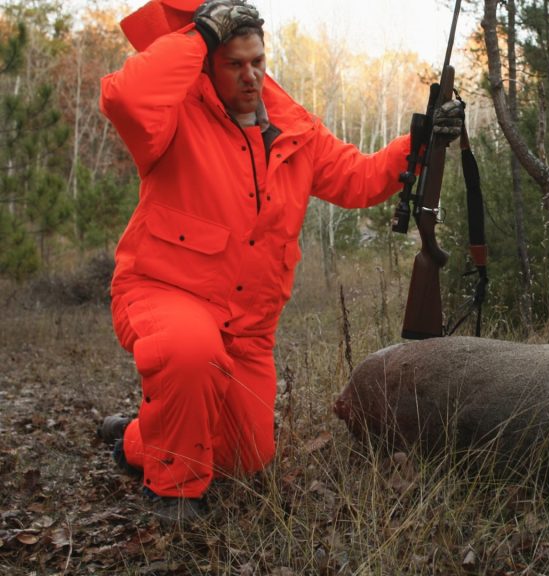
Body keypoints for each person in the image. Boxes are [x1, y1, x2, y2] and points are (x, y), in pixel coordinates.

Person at [96, 0, 463, 524]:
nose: (250, 75)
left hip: (247, 329)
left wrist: (421, 142)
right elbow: (126, 97)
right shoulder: (174, 116)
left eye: (258, 62)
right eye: (233, 63)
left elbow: (360, 178)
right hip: (164, 292)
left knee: (248, 455)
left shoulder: (296, 131)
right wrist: (200, 31)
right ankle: (173, 494)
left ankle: (138, 436)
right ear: (207, 62)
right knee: (190, 350)